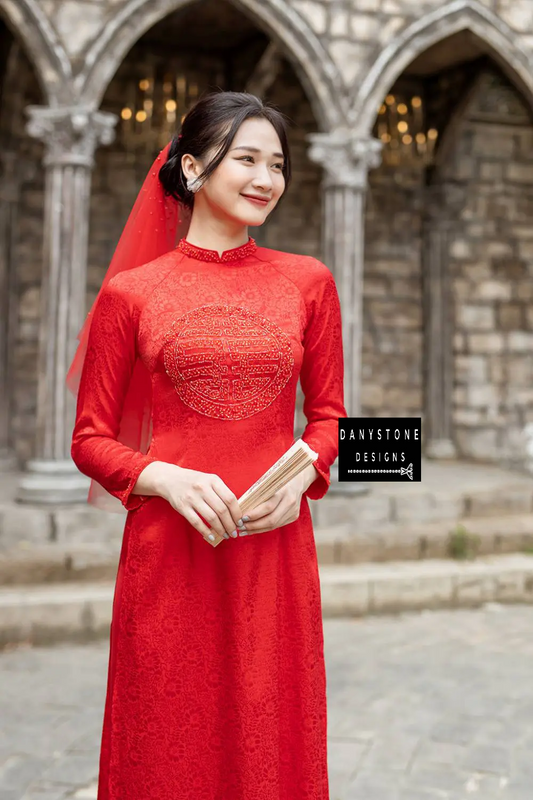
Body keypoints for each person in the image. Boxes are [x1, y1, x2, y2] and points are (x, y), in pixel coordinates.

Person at [69, 90, 346, 800]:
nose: (265, 179)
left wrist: (308, 473)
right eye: (245, 158)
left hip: (273, 547)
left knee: (269, 726)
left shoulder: (308, 282)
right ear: (191, 168)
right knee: (165, 732)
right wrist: (163, 477)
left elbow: (330, 416)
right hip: (170, 547)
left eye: (276, 164)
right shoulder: (131, 294)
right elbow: (89, 439)